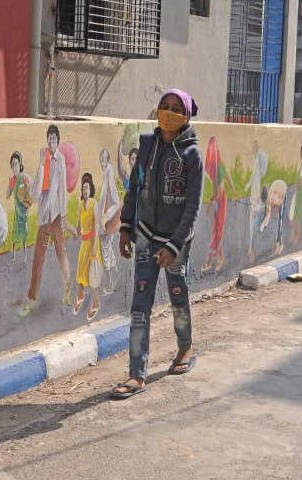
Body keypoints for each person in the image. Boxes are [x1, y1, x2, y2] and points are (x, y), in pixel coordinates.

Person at [111, 88, 204, 399]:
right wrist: (126, 226)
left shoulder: (192, 155)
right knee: (140, 306)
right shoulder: (148, 145)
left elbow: (192, 206)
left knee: (178, 294)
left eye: (175, 108)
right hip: (145, 234)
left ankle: (185, 348)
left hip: (176, 242)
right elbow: (134, 187)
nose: (168, 112)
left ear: (186, 116)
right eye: (164, 106)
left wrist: (175, 245)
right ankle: (137, 374)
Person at [19, 125, 75, 317]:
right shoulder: (44, 161)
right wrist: (41, 164)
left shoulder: (61, 160)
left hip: (57, 215)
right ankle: (32, 298)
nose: (51, 142)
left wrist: (64, 216)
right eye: (49, 138)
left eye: (54, 138)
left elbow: (62, 192)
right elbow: (35, 194)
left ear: (58, 141)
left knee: (61, 253)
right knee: (38, 258)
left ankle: (67, 290)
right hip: (44, 216)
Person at [202, 137, 235, 272]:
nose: (212, 152)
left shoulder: (220, 166)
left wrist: (234, 192)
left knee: (219, 230)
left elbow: (228, 179)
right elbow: (215, 189)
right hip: (216, 200)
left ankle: (213, 260)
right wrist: (210, 203)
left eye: (213, 149)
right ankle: (216, 258)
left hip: (221, 200)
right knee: (216, 231)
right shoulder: (213, 169)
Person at [73, 173, 101, 320]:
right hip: (84, 243)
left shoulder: (93, 203)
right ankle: (80, 295)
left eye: (87, 188)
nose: (85, 191)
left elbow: (96, 226)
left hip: (92, 243)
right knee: (80, 272)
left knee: (92, 275)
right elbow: (78, 230)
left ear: (91, 190)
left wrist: (95, 246)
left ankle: (96, 303)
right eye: (83, 189)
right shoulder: (80, 205)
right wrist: (67, 227)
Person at [98, 149, 121, 295]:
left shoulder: (109, 172)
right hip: (105, 218)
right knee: (107, 249)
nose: (102, 161)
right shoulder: (105, 172)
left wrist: (107, 216)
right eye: (101, 158)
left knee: (105, 250)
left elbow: (115, 199)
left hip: (109, 219)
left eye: (105, 159)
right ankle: (114, 278)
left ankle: (110, 285)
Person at [6, 151, 32, 261]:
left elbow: (30, 189)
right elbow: (7, 195)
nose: (14, 167)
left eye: (16, 163)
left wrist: (26, 192)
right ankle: (14, 255)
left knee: (24, 233)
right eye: (12, 165)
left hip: (24, 210)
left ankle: (25, 255)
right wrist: (9, 186)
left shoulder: (24, 177)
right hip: (17, 211)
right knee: (15, 233)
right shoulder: (12, 180)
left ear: (20, 164)